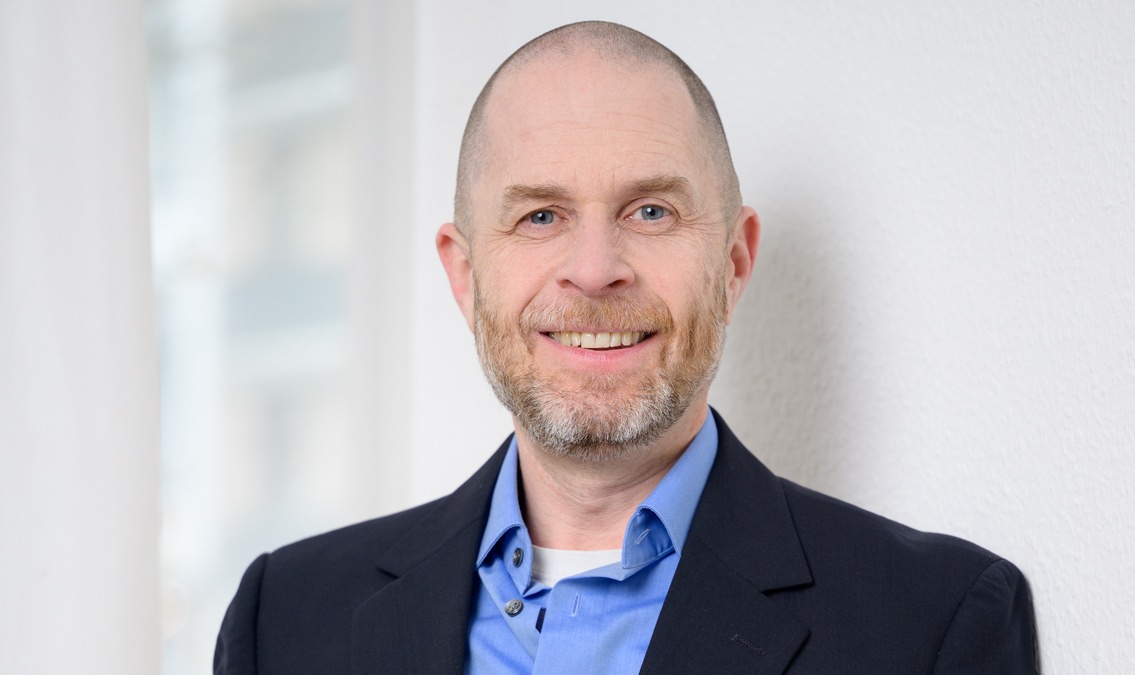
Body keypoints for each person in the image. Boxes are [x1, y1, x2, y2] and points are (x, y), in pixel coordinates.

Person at [215, 20, 1037, 674]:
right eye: (541, 215)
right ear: (465, 275)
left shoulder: (934, 622)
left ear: (733, 263)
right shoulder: (283, 620)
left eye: (651, 212)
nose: (595, 269)